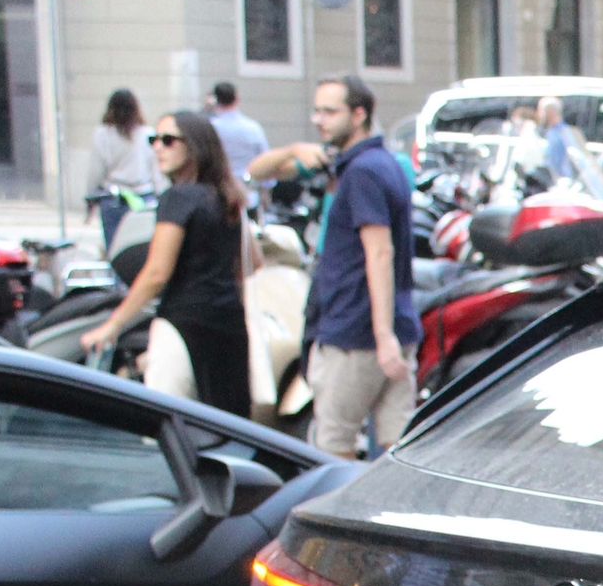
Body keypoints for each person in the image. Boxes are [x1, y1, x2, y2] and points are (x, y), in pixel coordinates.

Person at [249, 75, 417, 458]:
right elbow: (257, 171)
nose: (319, 120)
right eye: (317, 110)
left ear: (358, 115)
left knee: (332, 447)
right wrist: (296, 149)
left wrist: (382, 334)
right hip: (386, 324)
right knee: (398, 448)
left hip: (356, 328)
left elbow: (380, 252)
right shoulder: (377, 164)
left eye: (330, 111)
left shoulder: (361, 172)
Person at [81, 110, 254, 417]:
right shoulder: (229, 197)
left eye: (169, 140)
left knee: (170, 424)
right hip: (229, 325)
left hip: (182, 323)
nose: (158, 147)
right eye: (154, 140)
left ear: (196, 146)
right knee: (228, 424)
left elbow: (157, 272)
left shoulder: (177, 198)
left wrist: (112, 327)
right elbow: (251, 263)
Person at [87, 88, 162, 249]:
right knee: (143, 250)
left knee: (115, 251)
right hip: (143, 196)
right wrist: (161, 194)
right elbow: (156, 169)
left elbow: (96, 170)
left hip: (114, 196)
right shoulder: (147, 133)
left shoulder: (102, 134)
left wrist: (91, 195)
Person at [207, 82, 268, 210]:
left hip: (218, 196)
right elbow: (265, 159)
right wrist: (266, 191)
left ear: (215, 100)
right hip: (249, 194)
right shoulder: (253, 128)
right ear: (236, 98)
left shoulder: (209, 129)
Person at [538, 96, 578, 181]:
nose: (539, 115)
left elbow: (556, 164)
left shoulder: (558, 134)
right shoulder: (555, 131)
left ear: (549, 112)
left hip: (560, 182)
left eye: (541, 111)